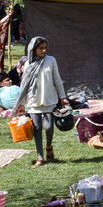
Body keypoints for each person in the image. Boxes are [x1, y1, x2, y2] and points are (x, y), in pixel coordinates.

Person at [12, 37, 68, 168]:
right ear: (33, 49)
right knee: (37, 129)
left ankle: (48, 146)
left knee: (49, 127)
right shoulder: (28, 64)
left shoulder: (51, 60)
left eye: (45, 48)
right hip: (33, 101)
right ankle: (40, 157)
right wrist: (22, 103)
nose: (43, 50)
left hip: (49, 99)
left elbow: (57, 79)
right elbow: (24, 85)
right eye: (40, 48)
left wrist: (62, 97)